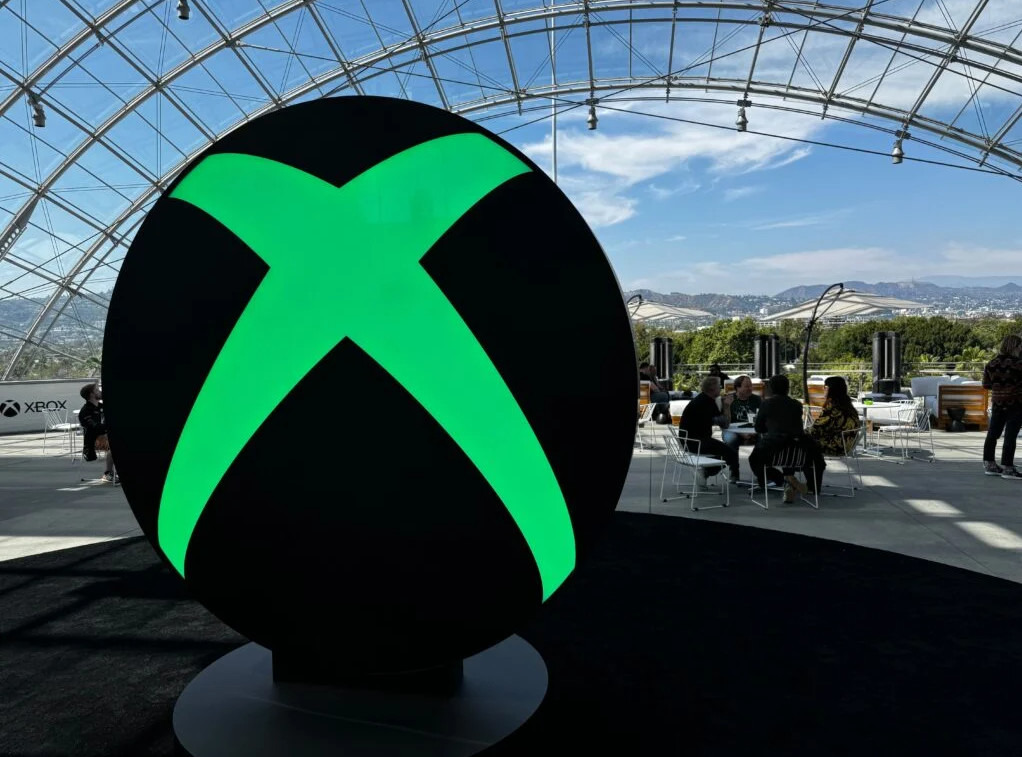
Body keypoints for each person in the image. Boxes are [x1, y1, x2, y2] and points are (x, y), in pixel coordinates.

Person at [750, 374, 825, 502]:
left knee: (754, 460)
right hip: (798, 451)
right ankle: (810, 486)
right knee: (792, 448)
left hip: (774, 450)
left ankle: (784, 481)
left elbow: (758, 428)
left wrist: (770, 428)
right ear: (788, 388)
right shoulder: (796, 404)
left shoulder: (766, 404)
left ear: (771, 389)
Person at [678, 375, 740, 484]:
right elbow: (725, 424)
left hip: (688, 440)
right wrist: (726, 406)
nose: (721, 388)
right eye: (719, 386)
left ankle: (706, 472)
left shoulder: (701, 399)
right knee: (731, 454)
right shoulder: (708, 403)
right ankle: (705, 472)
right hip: (696, 442)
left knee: (725, 452)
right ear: (712, 389)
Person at [982, 334, 1022, 478]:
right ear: (1014, 347)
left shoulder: (991, 364)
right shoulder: (1019, 364)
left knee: (993, 433)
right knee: (1010, 435)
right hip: (1016, 404)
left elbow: (986, 385)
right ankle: (1008, 468)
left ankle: (989, 465)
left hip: (998, 403)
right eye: (1020, 346)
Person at [809, 376, 861, 456]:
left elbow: (815, 429)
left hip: (835, 447)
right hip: (846, 446)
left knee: (802, 442)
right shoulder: (847, 406)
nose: (823, 390)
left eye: (825, 388)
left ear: (831, 390)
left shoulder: (833, 409)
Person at [79, 382, 117, 484]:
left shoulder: (101, 406)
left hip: (105, 437)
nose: (100, 392)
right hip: (94, 440)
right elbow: (95, 428)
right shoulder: (85, 411)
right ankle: (108, 473)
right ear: (91, 394)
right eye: (97, 390)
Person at [722, 375, 763, 453]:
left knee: (765, 438)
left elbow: (761, 419)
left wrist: (754, 432)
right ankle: (732, 460)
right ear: (738, 388)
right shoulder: (728, 400)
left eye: (751, 386)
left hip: (753, 430)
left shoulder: (757, 399)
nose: (750, 388)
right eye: (747, 386)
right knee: (731, 439)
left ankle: (757, 459)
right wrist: (741, 433)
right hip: (732, 430)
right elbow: (724, 424)